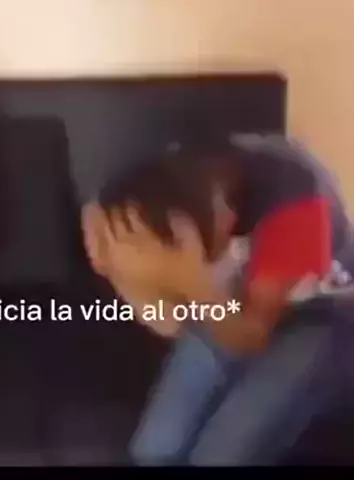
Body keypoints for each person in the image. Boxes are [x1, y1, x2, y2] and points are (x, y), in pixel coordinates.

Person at [82, 133, 353, 465]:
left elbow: (249, 336)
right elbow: (168, 322)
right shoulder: (172, 179)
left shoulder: (296, 205)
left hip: (314, 317)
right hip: (228, 299)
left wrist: (195, 283)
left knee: (220, 454)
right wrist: (114, 264)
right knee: (153, 449)